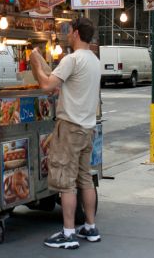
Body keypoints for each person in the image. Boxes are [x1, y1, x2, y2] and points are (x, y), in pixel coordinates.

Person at [30, 18, 101, 249]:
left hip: (70, 127)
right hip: (88, 127)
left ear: (77, 33)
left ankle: (68, 233)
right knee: (85, 178)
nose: (67, 35)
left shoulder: (73, 59)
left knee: (66, 182)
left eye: (69, 31)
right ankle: (90, 227)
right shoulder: (94, 60)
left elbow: (47, 85)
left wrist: (35, 63)